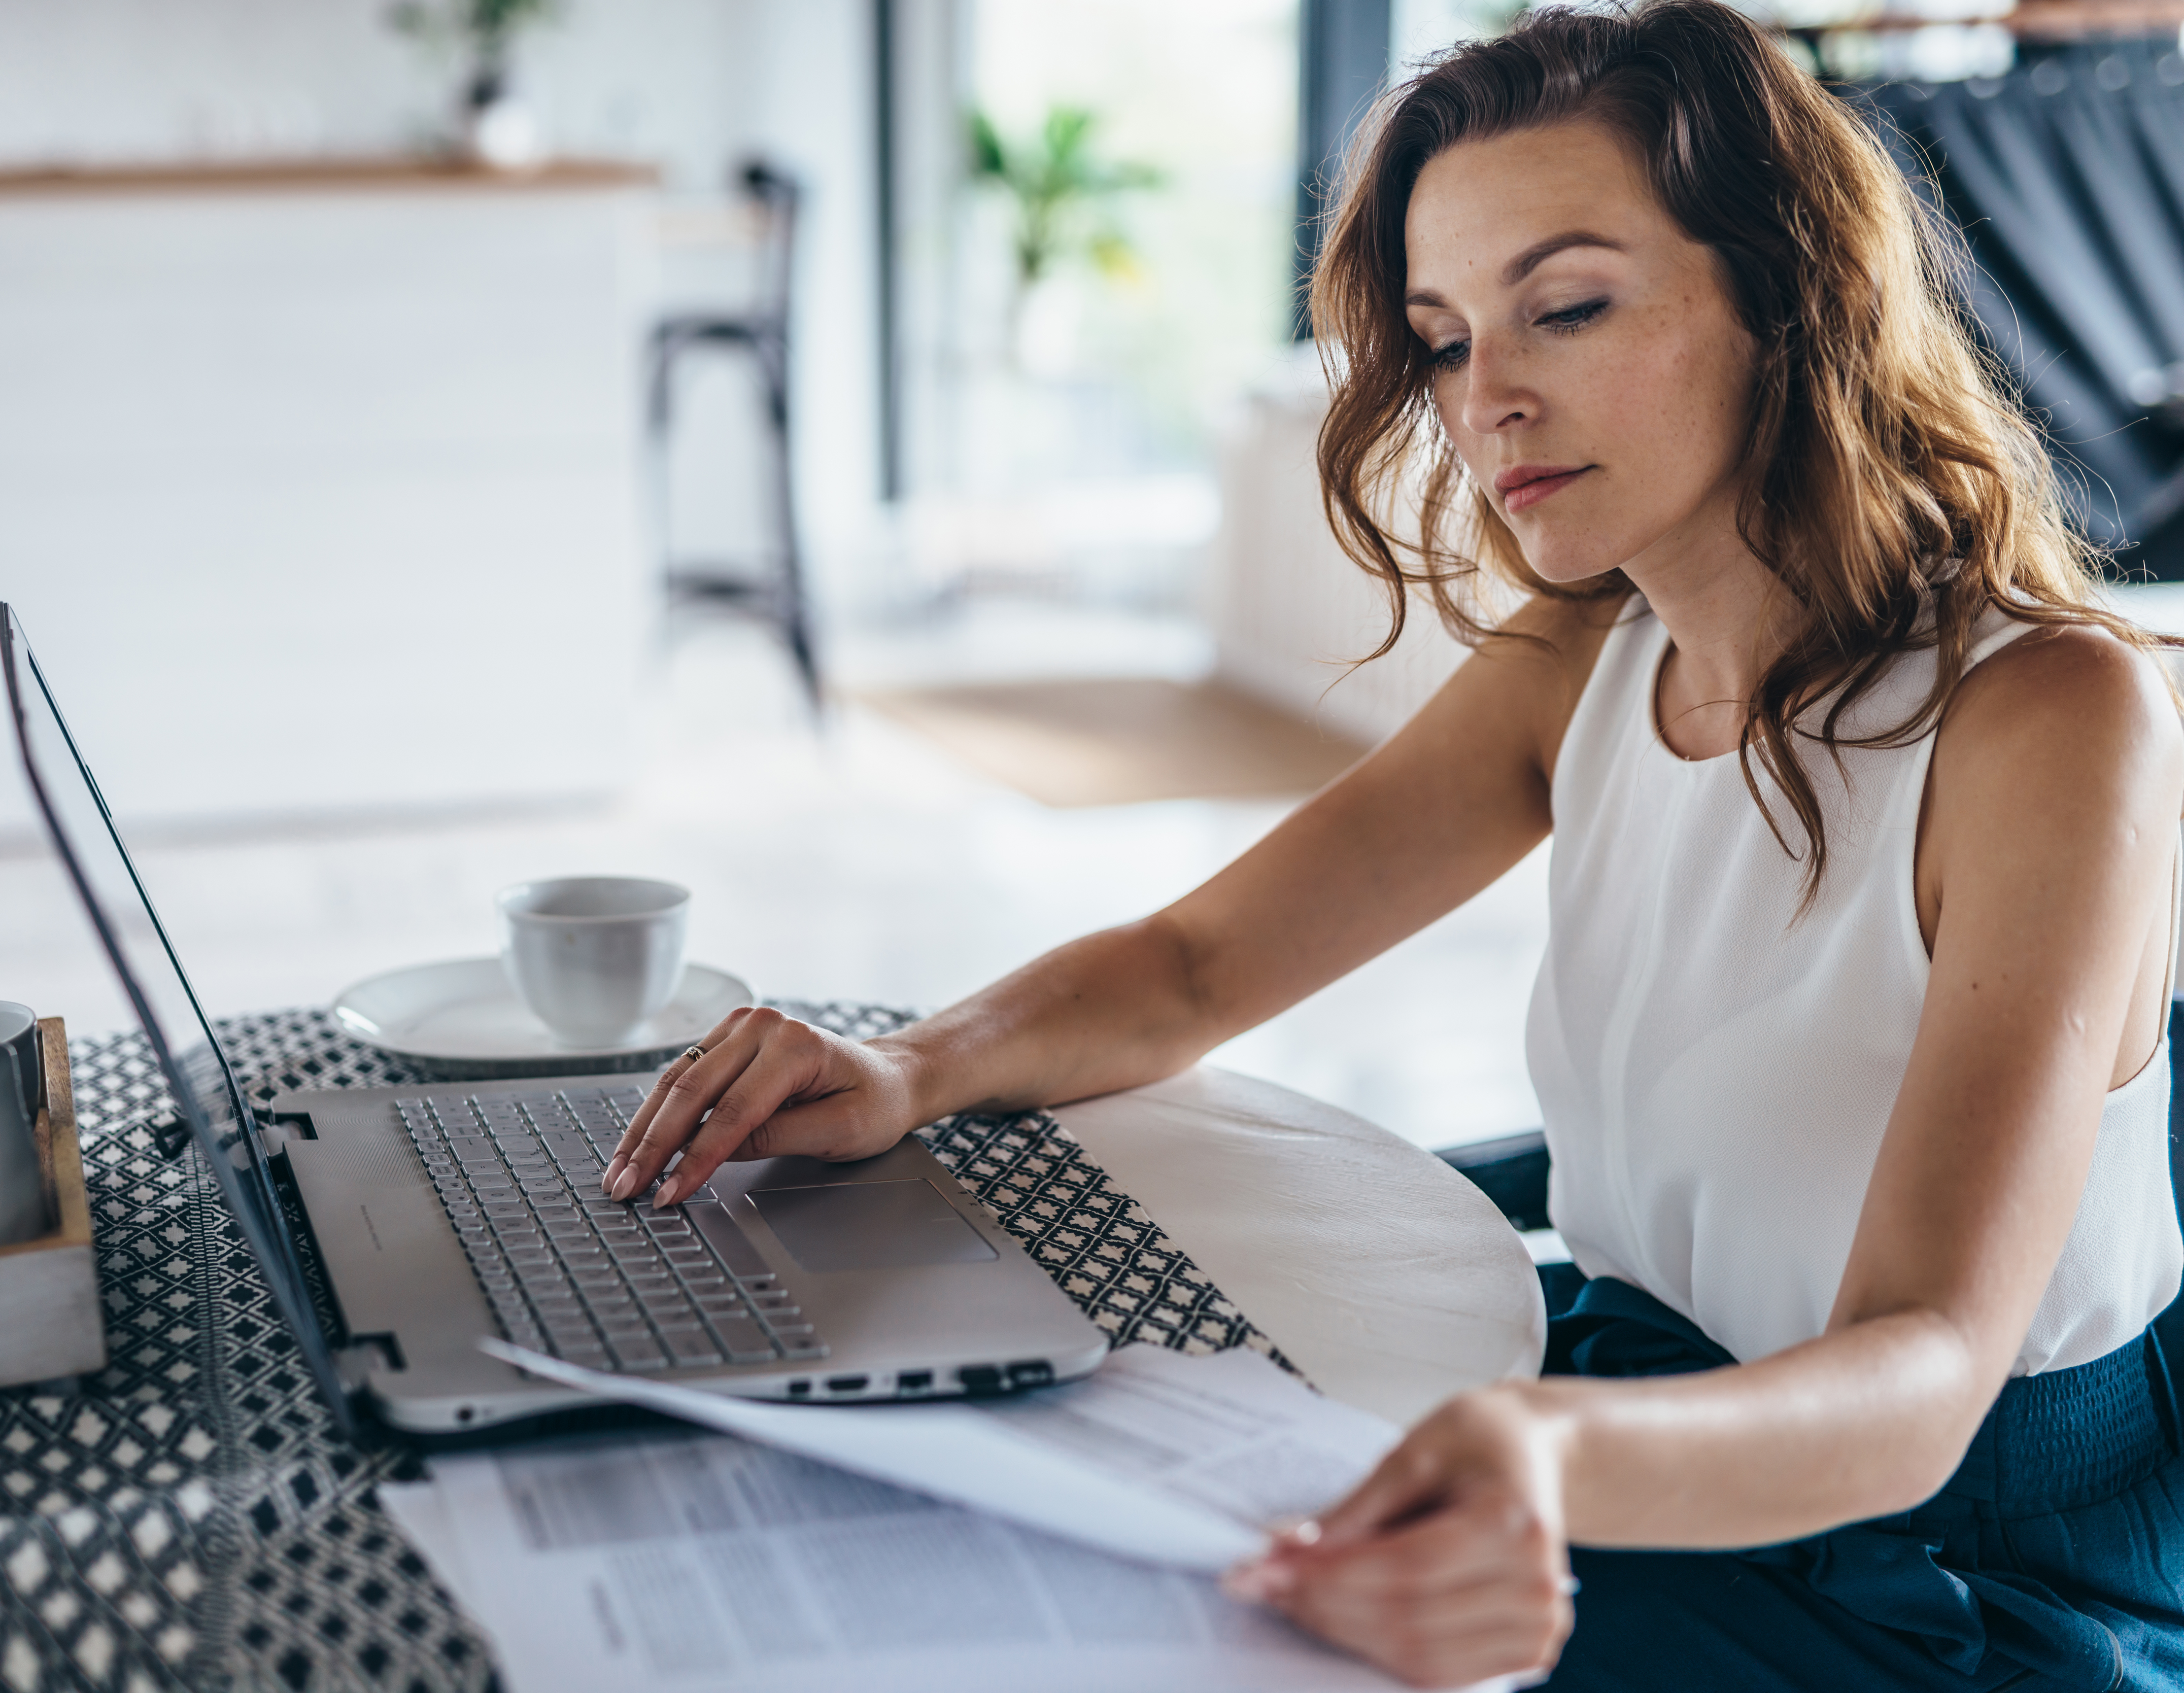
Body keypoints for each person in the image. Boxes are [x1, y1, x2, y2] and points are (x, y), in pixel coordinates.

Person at [600, 2, 2184, 1685]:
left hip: (1951, 1569)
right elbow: (1202, 963)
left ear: (1788, 298)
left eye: (1566, 307)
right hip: (1637, 1416)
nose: (1487, 398)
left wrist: (1549, 1454)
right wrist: (908, 1064)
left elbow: (1926, 1370)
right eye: (1441, 338)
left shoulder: (2048, 719)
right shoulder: (1589, 646)